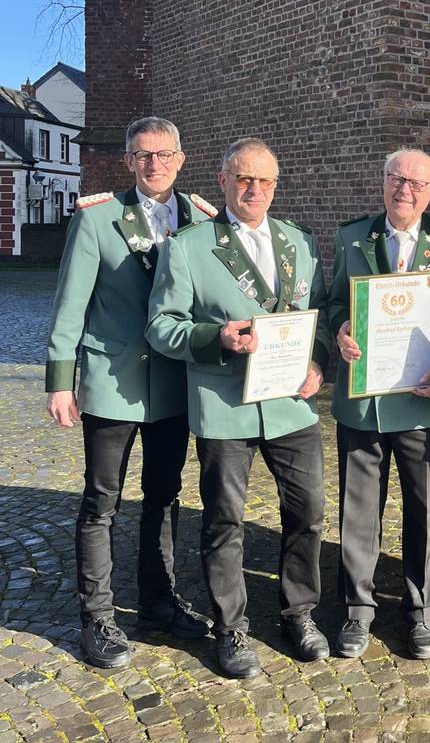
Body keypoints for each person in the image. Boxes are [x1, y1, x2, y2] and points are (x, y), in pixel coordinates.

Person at [146, 137, 332, 679]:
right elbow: (161, 326)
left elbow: (316, 315)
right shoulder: (189, 246)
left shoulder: (300, 242)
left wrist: (317, 365)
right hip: (224, 405)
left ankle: (299, 612)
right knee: (225, 522)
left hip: (290, 406)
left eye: (265, 181)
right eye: (244, 179)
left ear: (277, 186)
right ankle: (232, 629)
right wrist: (215, 337)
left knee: (309, 512)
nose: (254, 190)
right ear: (223, 180)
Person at [45, 116, 215, 668]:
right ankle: (97, 615)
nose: (155, 164)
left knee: (164, 496)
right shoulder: (98, 220)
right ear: (127, 161)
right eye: (143, 155)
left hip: (172, 382)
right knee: (101, 501)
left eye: (164, 154)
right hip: (111, 380)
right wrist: (59, 380)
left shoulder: (199, 219)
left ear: (181, 158)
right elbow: (71, 303)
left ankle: (158, 600)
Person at [329, 148, 430, 660]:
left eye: (416, 183)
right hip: (363, 401)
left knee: (424, 510)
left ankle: (422, 611)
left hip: (422, 399)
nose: (403, 189)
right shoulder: (351, 236)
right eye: (394, 178)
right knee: (359, 511)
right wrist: (340, 329)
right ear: (382, 182)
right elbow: (335, 301)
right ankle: (358, 610)